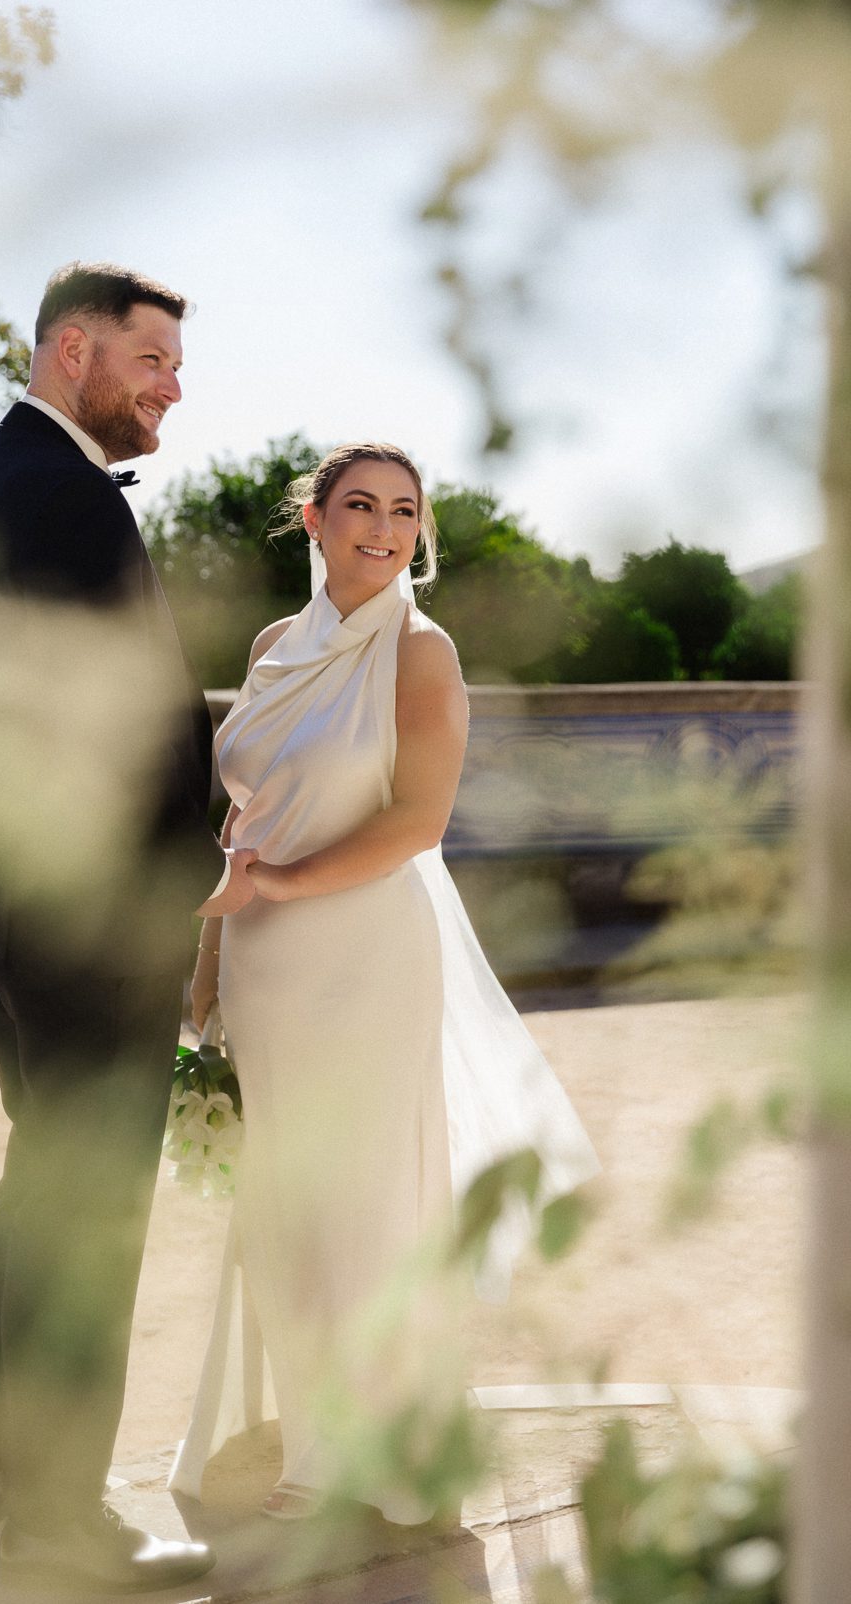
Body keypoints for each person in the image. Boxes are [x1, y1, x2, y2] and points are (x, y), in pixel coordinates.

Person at [170, 442, 601, 1524]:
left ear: (420, 534)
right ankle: (314, 1438)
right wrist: (214, 952)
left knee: (368, 1208)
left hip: (365, 952)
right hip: (267, 962)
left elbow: (420, 822)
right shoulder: (275, 643)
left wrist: (280, 888)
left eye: (404, 511)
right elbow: (243, 818)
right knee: (285, 1206)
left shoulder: (423, 651)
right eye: (358, 504)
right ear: (311, 520)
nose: (383, 527)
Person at [0, 263, 256, 1593]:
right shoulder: (46, 489)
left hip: (36, 903)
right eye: (152, 359)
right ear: (73, 354)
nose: (174, 386)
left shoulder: (15, 479)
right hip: (77, 912)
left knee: (41, 1197)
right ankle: (50, 1524)